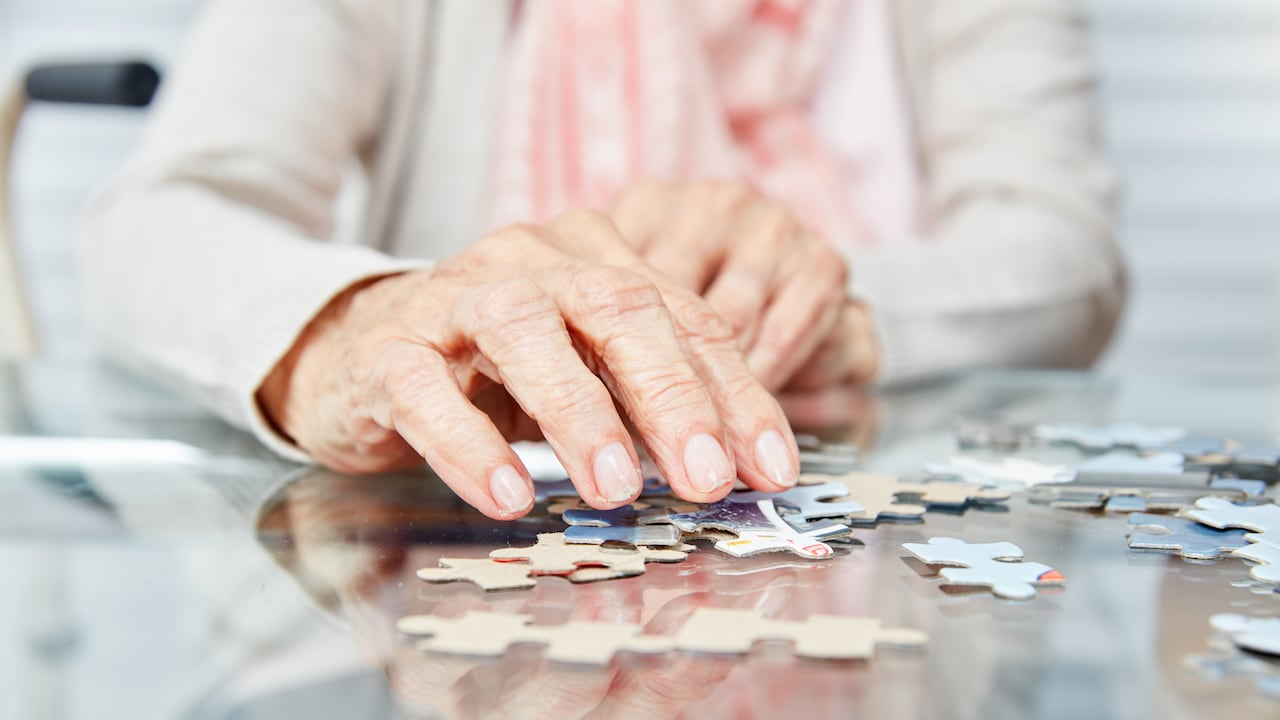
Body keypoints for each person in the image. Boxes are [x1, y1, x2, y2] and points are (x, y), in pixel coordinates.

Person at [79, 0, 1124, 520]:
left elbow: (1063, 255)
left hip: (875, 569)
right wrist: (355, 323)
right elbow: (160, 214)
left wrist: (830, 307)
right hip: (445, 576)